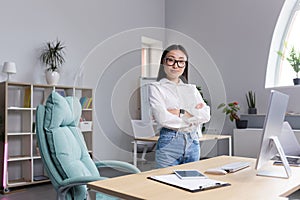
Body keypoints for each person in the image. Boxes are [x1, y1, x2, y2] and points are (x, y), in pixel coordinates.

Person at [148, 44, 210, 168]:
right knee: (166, 185)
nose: (176, 65)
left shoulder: (191, 89)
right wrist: (192, 116)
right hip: (169, 142)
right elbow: (163, 118)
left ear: (185, 65)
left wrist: (181, 112)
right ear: (163, 62)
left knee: (190, 184)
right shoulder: (156, 88)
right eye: (171, 60)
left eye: (181, 61)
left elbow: (205, 115)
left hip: (193, 143)